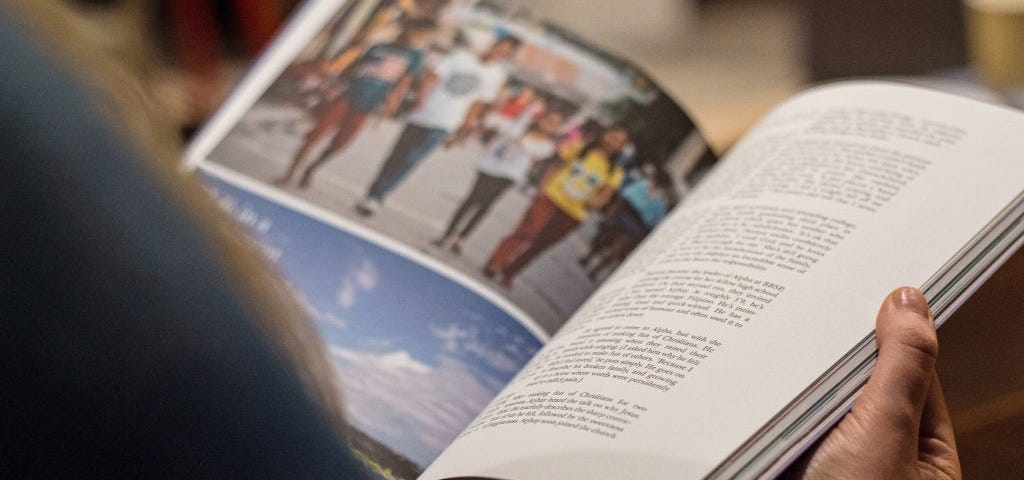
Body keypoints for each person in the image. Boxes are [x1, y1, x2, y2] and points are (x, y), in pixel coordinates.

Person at [355, 35, 522, 216]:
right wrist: (421, 100)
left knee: (411, 160)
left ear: (508, 56)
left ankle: (377, 197)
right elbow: (432, 78)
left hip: (447, 123)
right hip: (422, 115)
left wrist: (463, 131)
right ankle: (372, 192)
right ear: (493, 44)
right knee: (397, 155)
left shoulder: (495, 76)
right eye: (500, 47)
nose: (500, 52)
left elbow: (477, 104)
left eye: (506, 52)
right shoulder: (461, 58)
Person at [274, 17, 437, 188]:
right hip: (347, 96)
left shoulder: (415, 56)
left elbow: (404, 82)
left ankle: (312, 168)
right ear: (409, 29)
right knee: (316, 134)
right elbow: (351, 68)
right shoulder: (379, 47)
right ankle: (289, 174)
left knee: (340, 144)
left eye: (424, 35)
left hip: (368, 104)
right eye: (419, 32)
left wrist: (391, 103)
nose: (419, 37)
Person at [484, 125, 629, 288]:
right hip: (551, 198)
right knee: (527, 231)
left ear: (621, 147)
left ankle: (509, 273)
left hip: (573, 213)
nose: (612, 141)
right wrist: (543, 187)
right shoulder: (580, 147)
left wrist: (596, 203)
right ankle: (496, 262)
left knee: (541, 245)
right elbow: (556, 166)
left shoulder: (615, 171)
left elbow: (606, 193)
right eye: (612, 136)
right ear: (604, 134)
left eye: (619, 141)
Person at [432, 110, 565, 254]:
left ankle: (462, 238)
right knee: (471, 199)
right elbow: (500, 125)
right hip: (489, 166)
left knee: (485, 204)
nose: (549, 125)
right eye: (548, 120)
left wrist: (520, 137)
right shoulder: (520, 126)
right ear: (541, 119)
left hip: (508, 175)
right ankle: (447, 235)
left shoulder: (547, 146)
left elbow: (534, 154)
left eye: (554, 124)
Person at [579, 166, 675, 280]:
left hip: (636, 226)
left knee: (619, 247)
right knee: (604, 235)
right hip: (623, 213)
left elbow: (652, 222)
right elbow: (625, 197)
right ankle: (589, 256)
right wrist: (612, 211)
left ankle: (597, 268)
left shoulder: (660, 203)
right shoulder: (642, 185)